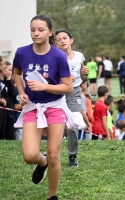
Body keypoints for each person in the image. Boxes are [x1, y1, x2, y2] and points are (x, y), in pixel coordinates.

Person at [13, 14, 74, 200]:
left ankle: (52, 196)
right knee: (30, 155)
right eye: (33, 30)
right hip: (32, 106)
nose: (36, 33)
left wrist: (44, 86)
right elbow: (16, 73)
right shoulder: (22, 52)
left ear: (50, 32)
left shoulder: (58, 56)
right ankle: (42, 163)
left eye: (40, 30)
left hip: (55, 105)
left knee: (54, 155)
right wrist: (22, 92)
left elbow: (68, 87)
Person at [55, 29, 88, 167]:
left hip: (75, 92)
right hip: (60, 92)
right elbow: (51, 79)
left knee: (73, 123)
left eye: (64, 38)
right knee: (59, 123)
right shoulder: (55, 58)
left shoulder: (79, 56)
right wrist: (64, 80)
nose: (62, 41)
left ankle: (72, 156)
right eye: (59, 39)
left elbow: (83, 74)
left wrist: (83, 72)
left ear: (71, 40)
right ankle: (52, 151)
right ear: (56, 43)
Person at [0, 60, 18, 140]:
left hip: (9, 115)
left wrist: (8, 79)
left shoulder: (8, 81)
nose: (11, 73)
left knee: (10, 138)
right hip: (2, 114)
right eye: (9, 70)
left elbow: (13, 94)